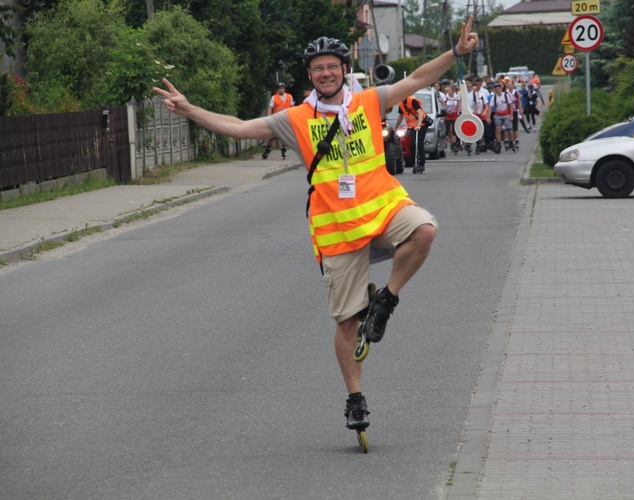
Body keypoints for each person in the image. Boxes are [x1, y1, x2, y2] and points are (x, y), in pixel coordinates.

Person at [153, 18, 479, 436]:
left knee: (425, 229)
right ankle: (355, 397)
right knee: (346, 324)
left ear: (345, 69)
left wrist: (456, 54)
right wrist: (189, 108)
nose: (326, 74)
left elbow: (417, 77)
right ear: (309, 75)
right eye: (317, 69)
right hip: (338, 230)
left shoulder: (368, 101)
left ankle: (387, 302)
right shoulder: (295, 119)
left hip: (383, 208)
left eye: (332, 66)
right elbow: (237, 126)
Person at [394, 95, 427, 173]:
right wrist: (395, 128)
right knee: (412, 144)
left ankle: (421, 164)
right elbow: (400, 117)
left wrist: (419, 124)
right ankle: (414, 163)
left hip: (422, 124)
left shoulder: (412, 101)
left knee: (419, 143)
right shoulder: (401, 104)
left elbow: (420, 113)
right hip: (412, 127)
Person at [262, 83, 295, 159]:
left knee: (284, 134)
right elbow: (270, 108)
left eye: (282, 88)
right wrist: (269, 117)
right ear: (277, 90)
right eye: (279, 88)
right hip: (276, 119)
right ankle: (268, 149)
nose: (281, 89)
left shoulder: (289, 96)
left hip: (286, 118)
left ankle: (284, 148)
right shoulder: (274, 97)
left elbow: (292, 107)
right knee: (272, 134)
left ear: (284, 89)